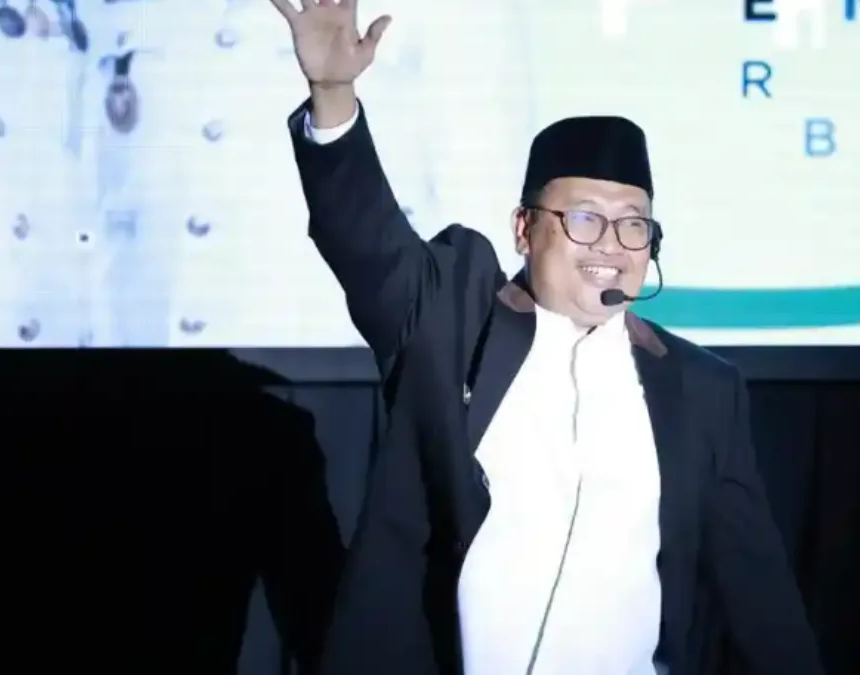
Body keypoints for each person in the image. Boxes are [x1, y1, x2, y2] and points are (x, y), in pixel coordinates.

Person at [268, 2, 823, 674]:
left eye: (634, 225)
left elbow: (759, 593)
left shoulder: (701, 388)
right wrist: (333, 94)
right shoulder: (452, 320)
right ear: (524, 230)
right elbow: (364, 239)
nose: (610, 245)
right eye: (583, 218)